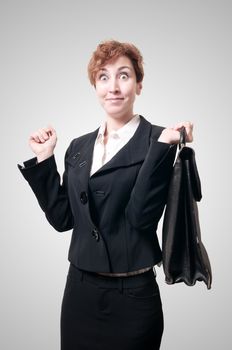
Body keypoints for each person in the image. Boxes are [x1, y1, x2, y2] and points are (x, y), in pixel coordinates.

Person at [18, 40, 193, 350]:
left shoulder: (160, 140)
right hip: (80, 294)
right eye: (103, 76)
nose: (113, 86)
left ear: (139, 84)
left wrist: (164, 148)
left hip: (134, 298)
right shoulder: (78, 147)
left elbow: (140, 217)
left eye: (124, 75)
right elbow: (62, 219)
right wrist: (46, 160)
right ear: (95, 86)